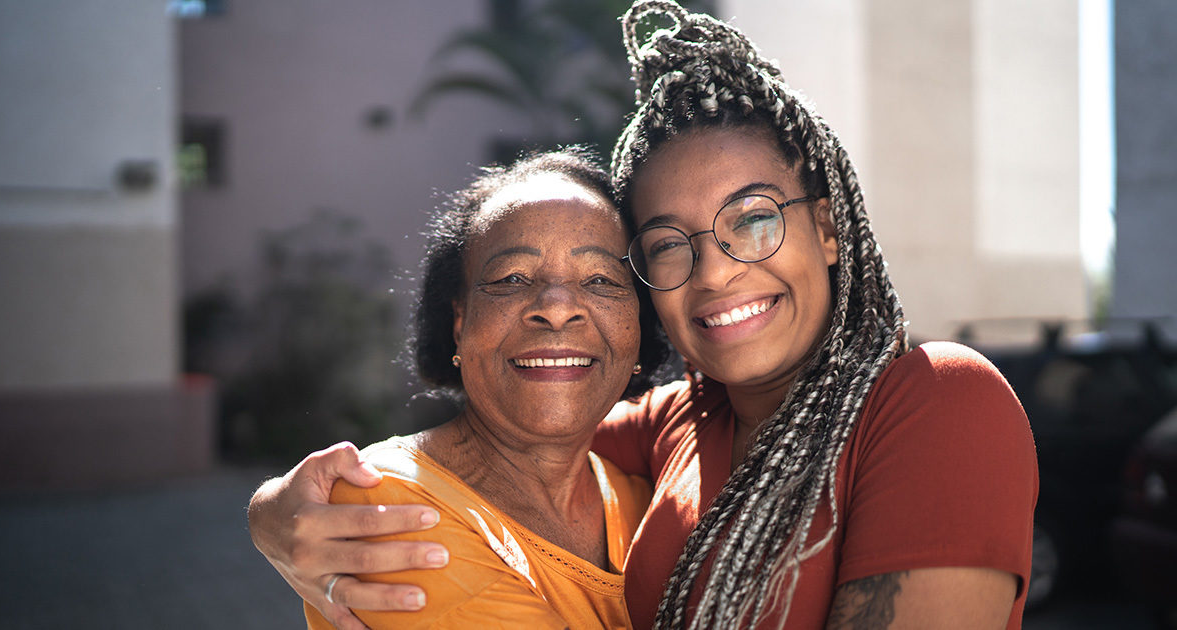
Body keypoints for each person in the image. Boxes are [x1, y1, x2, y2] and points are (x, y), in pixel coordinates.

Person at [249, 2, 1038, 628]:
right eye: (668, 244)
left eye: (753, 218)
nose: (717, 270)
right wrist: (283, 509)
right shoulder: (683, 424)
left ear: (829, 230)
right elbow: (523, 425)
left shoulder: (936, 403)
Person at [295, 148, 670, 628]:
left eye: (601, 279)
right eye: (511, 278)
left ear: (639, 325)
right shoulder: (388, 503)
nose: (556, 308)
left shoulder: (653, 502)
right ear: (459, 322)